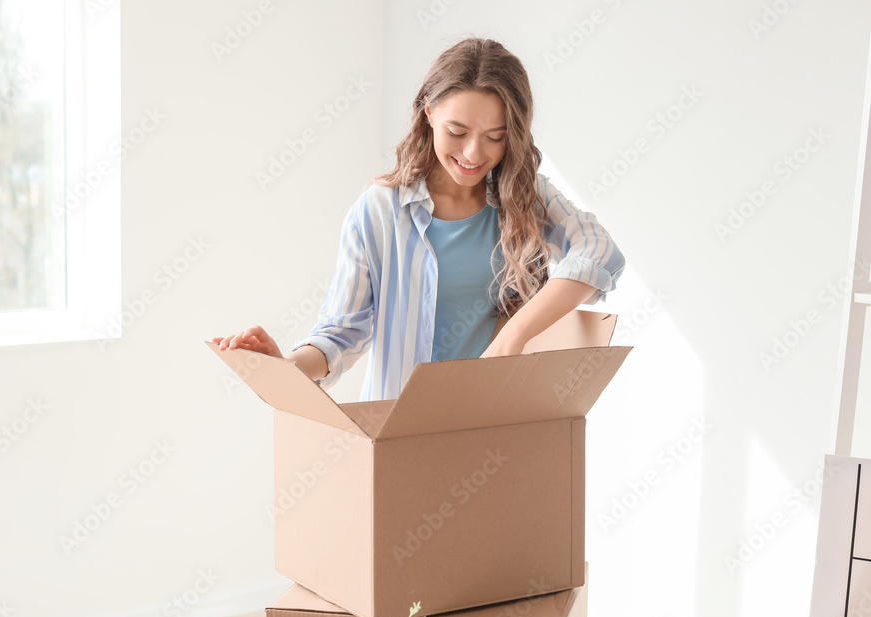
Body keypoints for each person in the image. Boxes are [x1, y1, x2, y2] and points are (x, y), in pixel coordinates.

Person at [213, 37, 624, 401]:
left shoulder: (523, 196)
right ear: (428, 113)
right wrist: (286, 369)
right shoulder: (380, 210)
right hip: (399, 433)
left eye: (495, 136)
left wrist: (516, 334)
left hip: (497, 424)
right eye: (457, 131)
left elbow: (600, 251)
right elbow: (341, 333)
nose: (474, 154)